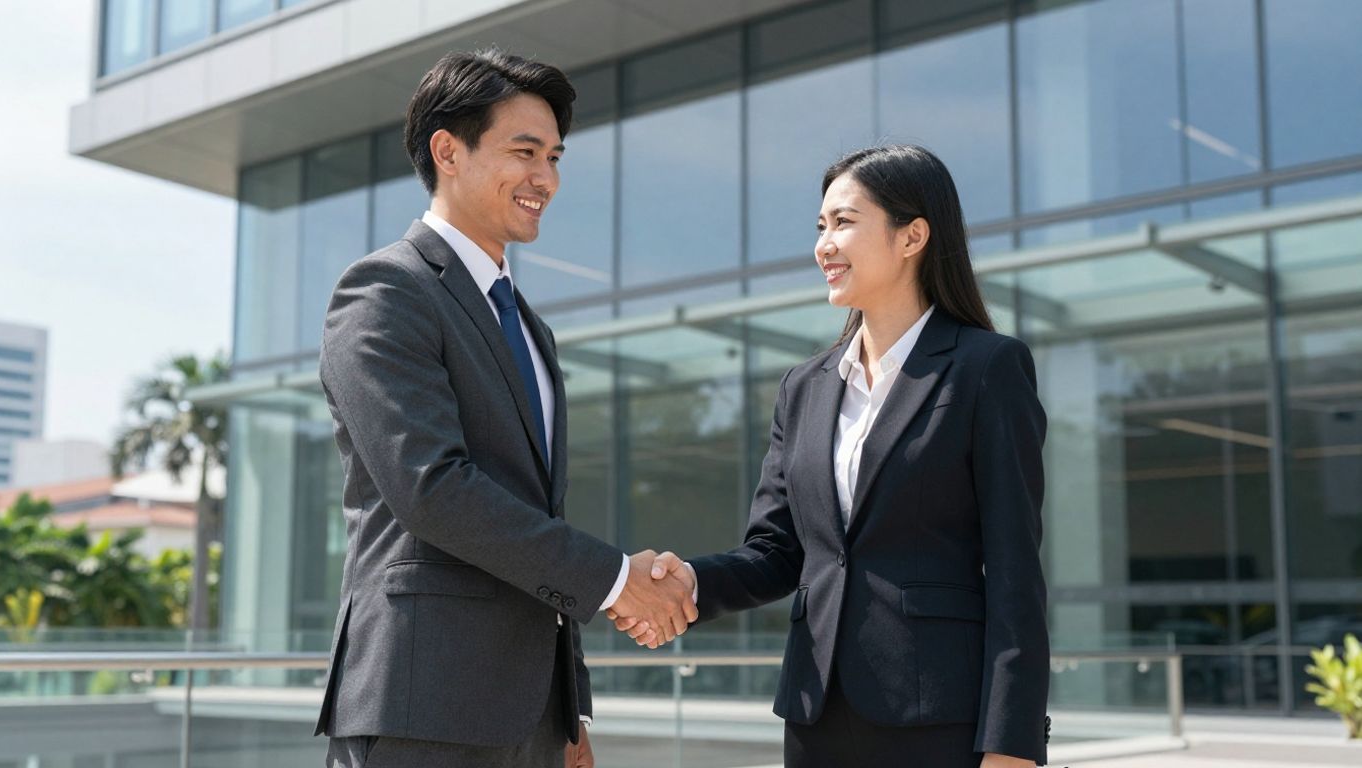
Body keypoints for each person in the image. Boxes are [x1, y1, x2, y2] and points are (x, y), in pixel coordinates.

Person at [314, 48, 696, 768]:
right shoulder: (384, 291)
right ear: (447, 152)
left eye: (554, 157)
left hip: (529, 719)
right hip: (421, 708)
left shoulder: (525, 323)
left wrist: (566, 709)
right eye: (524, 152)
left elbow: (531, 517)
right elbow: (434, 490)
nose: (545, 179)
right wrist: (618, 581)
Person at [611, 145, 1050, 767]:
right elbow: (778, 551)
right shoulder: (805, 386)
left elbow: (1015, 574)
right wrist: (689, 583)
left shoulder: (985, 369)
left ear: (912, 236)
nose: (824, 244)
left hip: (938, 718)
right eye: (821, 227)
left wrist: (1012, 744)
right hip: (816, 713)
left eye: (843, 222)